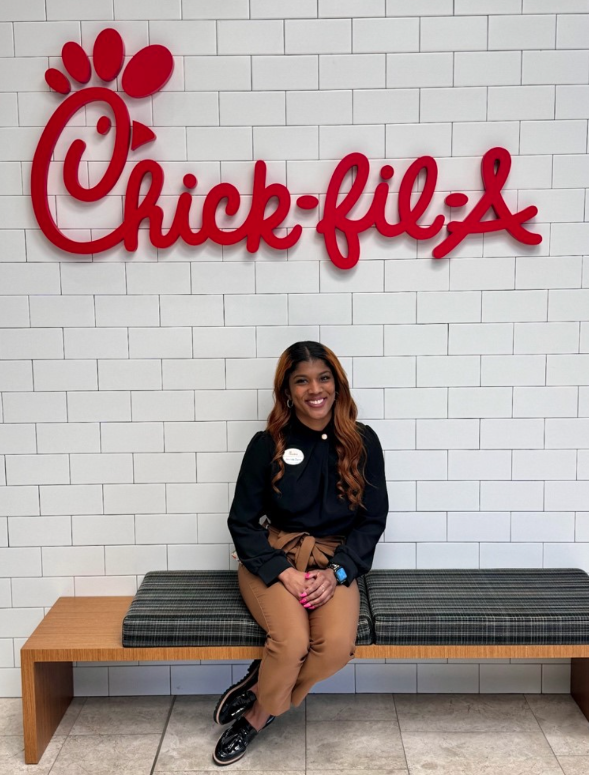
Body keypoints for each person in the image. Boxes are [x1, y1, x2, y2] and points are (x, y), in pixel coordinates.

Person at [212, 340, 389, 766]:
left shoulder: (363, 443)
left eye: (324, 378)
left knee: (335, 647)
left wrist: (338, 573)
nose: (315, 389)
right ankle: (257, 717)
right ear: (287, 391)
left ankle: (259, 701)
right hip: (271, 558)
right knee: (291, 643)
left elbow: (372, 521)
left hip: (332, 562)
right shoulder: (267, 443)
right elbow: (241, 522)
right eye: (302, 380)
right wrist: (282, 573)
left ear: (337, 384)